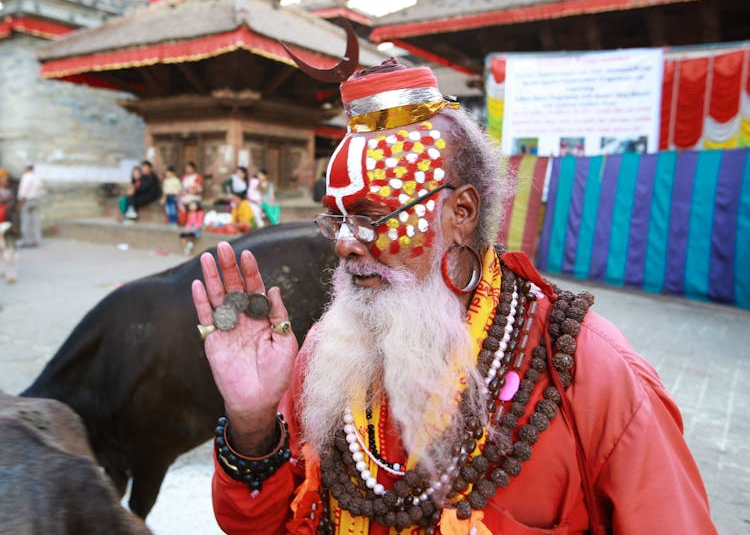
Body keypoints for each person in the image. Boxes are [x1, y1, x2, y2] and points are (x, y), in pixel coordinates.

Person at [191, 61, 717, 534]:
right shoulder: (327, 352)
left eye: (372, 217)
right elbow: (268, 525)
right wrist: (254, 424)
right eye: (339, 218)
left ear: (461, 213)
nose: (347, 242)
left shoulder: (592, 372)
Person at [17, 163, 43, 247]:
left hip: (27, 201)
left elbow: (24, 191)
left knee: (25, 221)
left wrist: (20, 203)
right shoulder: (37, 177)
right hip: (36, 200)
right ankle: (37, 240)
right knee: (36, 221)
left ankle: (26, 241)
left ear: (27, 168)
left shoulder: (26, 177)